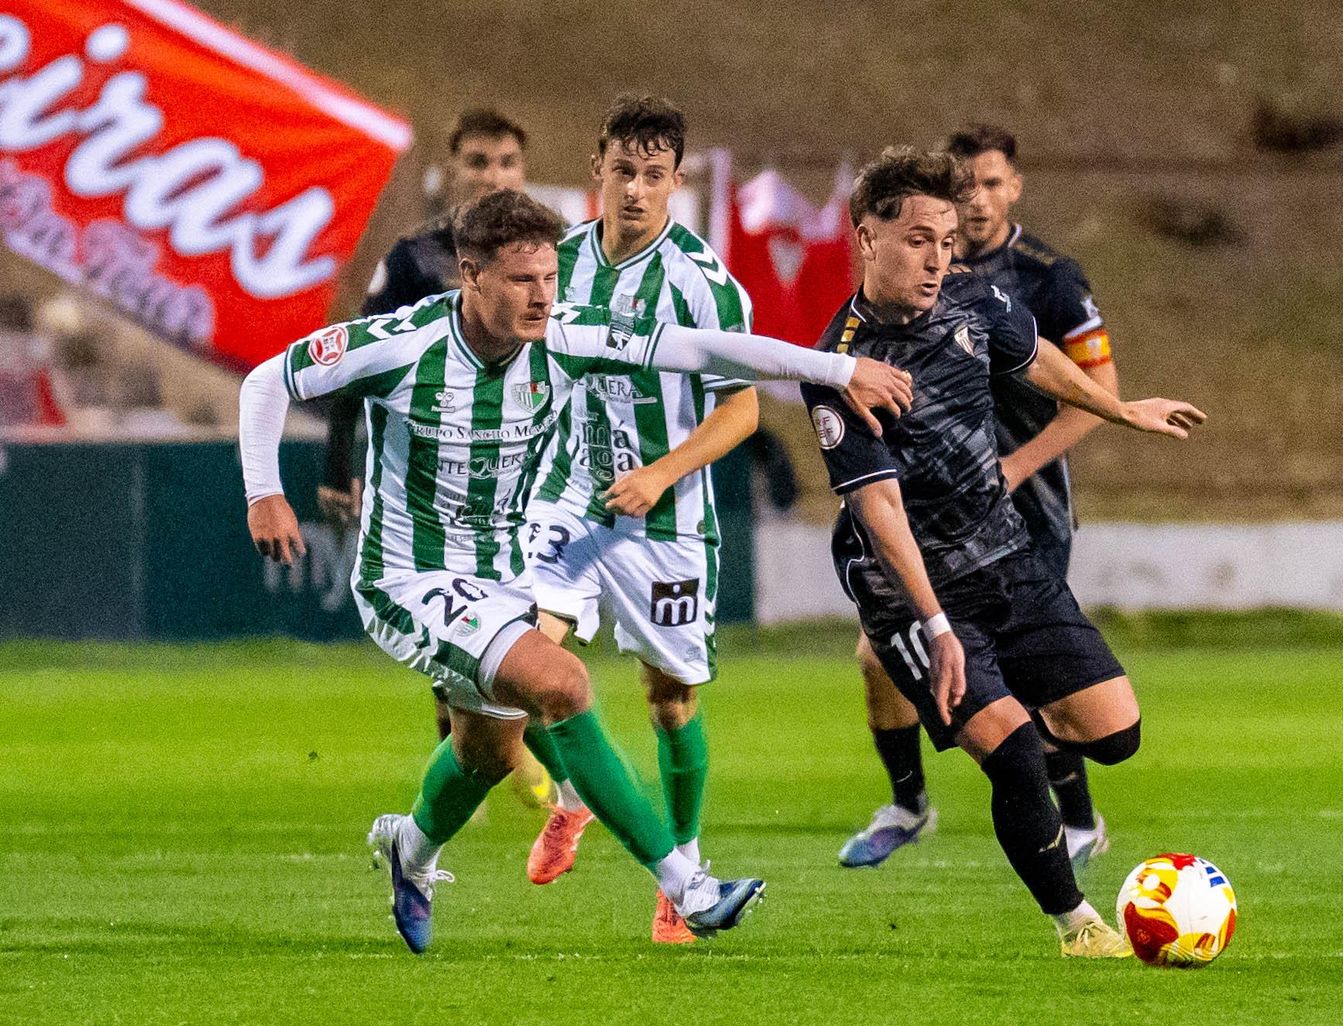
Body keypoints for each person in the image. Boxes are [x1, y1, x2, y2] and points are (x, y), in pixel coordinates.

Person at [237, 190, 913, 952]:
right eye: (522, 280)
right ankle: (687, 886)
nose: (542, 296)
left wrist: (837, 366)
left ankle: (411, 851)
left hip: (504, 574)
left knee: (486, 752)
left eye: (551, 278)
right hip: (409, 578)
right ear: (470, 275)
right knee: (563, 683)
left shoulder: (568, 334)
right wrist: (266, 491)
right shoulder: (402, 343)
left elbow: (704, 350)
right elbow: (266, 382)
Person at [801, 147, 1204, 957]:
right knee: (1017, 758)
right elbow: (878, 507)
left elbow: (1038, 357)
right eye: (918, 238)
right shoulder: (840, 364)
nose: (937, 257)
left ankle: (1001, 709)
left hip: (1007, 555)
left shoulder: (976, 299)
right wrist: (937, 625)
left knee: (1116, 735)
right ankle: (1075, 925)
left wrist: (1119, 410)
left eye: (946, 240)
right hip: (912, 591)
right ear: (866, 235)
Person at [839, 124, 1120, 870]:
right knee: (880, 658)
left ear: (1014, 188)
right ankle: (910, 801)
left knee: (1049, 684)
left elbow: (1093, 393)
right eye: (969, 189)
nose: (981, 202)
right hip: (931, 516)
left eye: (993, 185)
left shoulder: (1046, 277)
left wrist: (1019, 465)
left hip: (1029, 508)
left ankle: (1078, 815)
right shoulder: (895, 302)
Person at [517, 95, 758, 944]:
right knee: (519, 666)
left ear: (676, 182)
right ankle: (581, 801)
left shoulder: (702, 283)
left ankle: (679, 868)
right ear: (598, 170)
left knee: (670, 701)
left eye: (653, 176)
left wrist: (662, 471)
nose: (635, 189)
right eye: (623, 170)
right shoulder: (556, 264)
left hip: (668, 522)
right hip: (570, 502)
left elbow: (742, 410)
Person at [320, 108, 538, 763]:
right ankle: (498, 782)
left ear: (524, 173)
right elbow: (350, 364)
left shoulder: (551, 259)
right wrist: (339, 463)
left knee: (522, 643)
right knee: (471, 651)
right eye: (478, 161)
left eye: (505, 162)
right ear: (450, 173)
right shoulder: (415, 261)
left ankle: (512, 779)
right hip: (432, 477)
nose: (492, 175)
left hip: (527, 470)